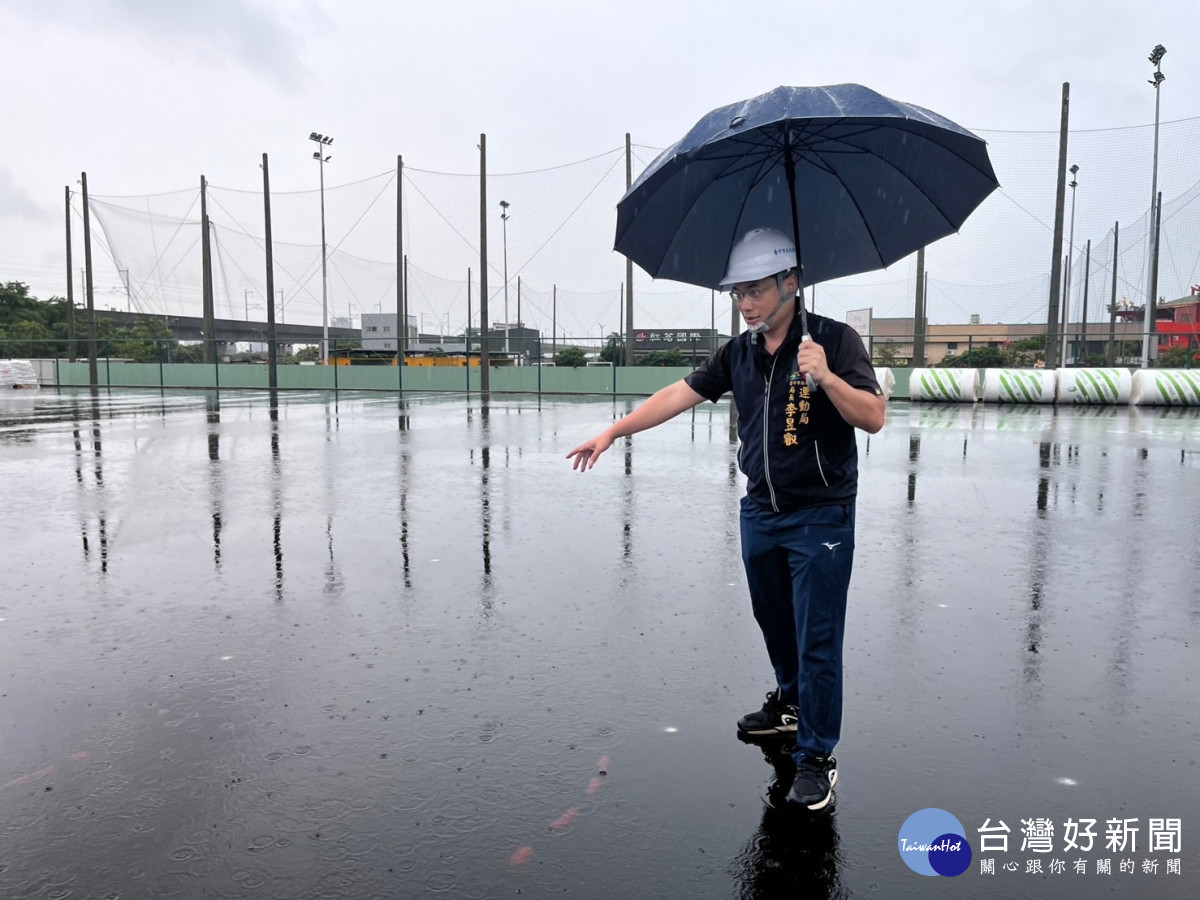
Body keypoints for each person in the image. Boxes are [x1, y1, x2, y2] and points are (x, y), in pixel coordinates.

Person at [566, 228, 885, 811]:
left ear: (793, 283)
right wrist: (614, 430)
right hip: (760, 511)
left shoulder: (834, 342)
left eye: (756, 290)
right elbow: (678, 393)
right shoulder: (739, 352)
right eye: (737, 292)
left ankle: (817, 757)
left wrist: (829, 377)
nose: (745, 303)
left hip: (821, 516)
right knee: (774, 621)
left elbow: (874, 418)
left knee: (818, 638)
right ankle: (790, 706)